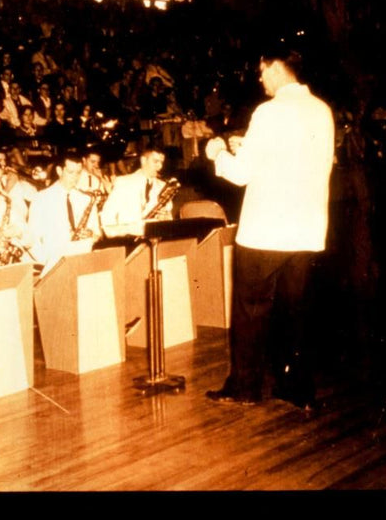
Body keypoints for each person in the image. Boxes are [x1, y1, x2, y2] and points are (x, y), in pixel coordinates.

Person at [203, 45, 334, 410]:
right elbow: (299, 159)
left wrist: (218, 154)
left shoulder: (269, 111)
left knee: (251, 310)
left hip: (266, 230)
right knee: (295, 312)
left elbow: (242, 173)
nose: (260, 79)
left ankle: (245, 387)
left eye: (261, 72)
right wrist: (248, 146)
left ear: (275, 68)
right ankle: (296, 387)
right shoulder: (322, 110)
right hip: (306, 229)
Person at [28, 152, 102, 272]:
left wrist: (91, 234)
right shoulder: (41, 199)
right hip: (53, 265)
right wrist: (46, 264)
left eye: (78, 173)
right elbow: (33, 238)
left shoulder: (87, 198)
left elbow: (97, 233)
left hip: (83, 261)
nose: (75, 177)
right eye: (70, 172)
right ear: (59, 171)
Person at [100, 146, 176, 234]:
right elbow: (108, 215)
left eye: (161, 162)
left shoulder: (164, 186)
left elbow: (169, 217)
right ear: (143, 160)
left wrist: (166, 218)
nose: (160, 166)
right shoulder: (123, 182)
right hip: (128, 238)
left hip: (155, 237)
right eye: (155, 161)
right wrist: (118, 237)